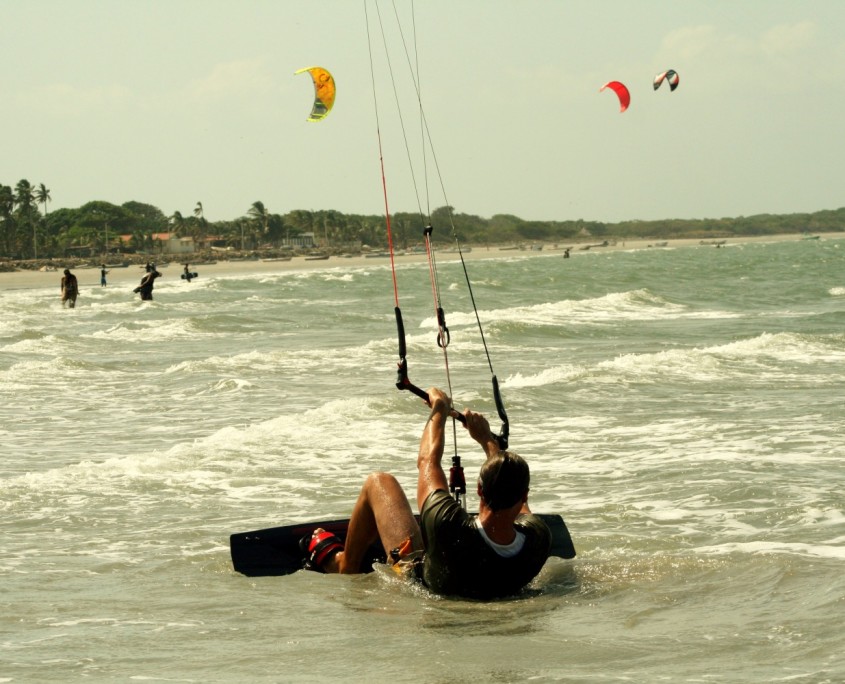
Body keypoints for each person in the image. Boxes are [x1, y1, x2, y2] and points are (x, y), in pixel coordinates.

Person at [301, 387, 552, 600]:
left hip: (419, 585)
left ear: (479, 489)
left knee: (378, 482)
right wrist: (489, 442)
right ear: (525, 496)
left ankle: (345, 564)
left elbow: (427, 462)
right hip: (489, 589)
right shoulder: (538, 538)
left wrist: (440, 408)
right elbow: (520, 506)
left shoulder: (448, 524)